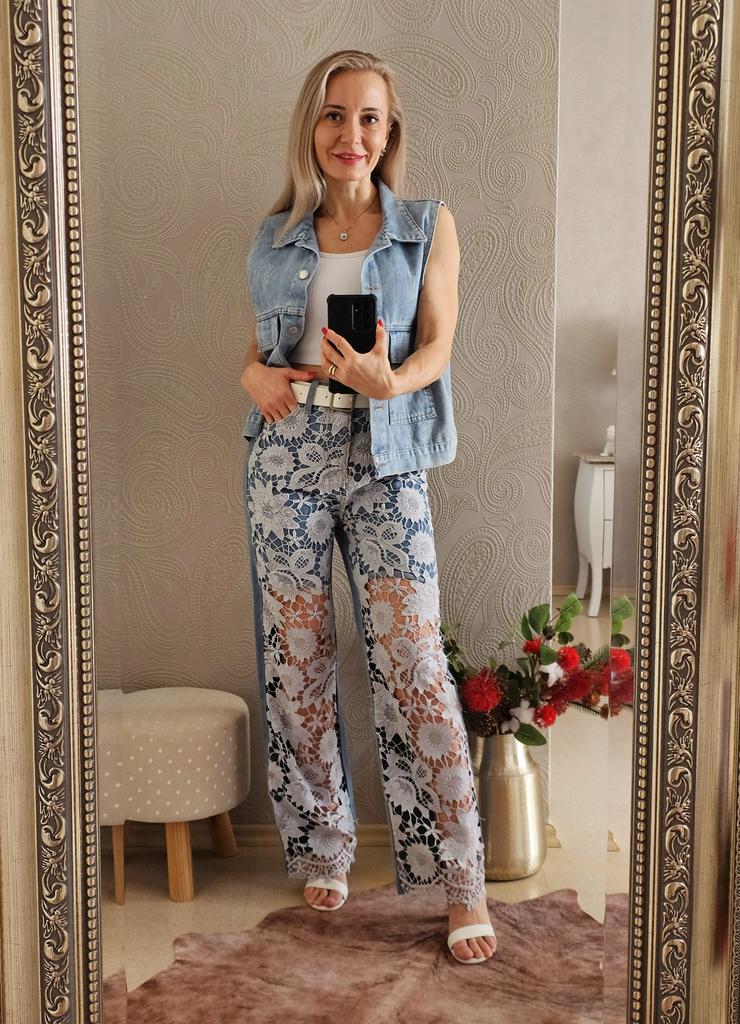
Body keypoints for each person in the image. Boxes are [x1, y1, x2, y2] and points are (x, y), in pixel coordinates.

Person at [240, 49, 496, 965]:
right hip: (287, 451)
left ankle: (461, 879)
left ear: (390, 133)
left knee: (414, 661)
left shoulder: (427, 225)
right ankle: (324, 845)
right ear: (312, 127)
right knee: (297, 657)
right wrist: (249, 374)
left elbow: (439, 345)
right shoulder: (276, 235)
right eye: (335, 115)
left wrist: (393, 381)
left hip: (388, 453)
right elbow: (261, 350)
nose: (351, 134)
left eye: (369, 117)